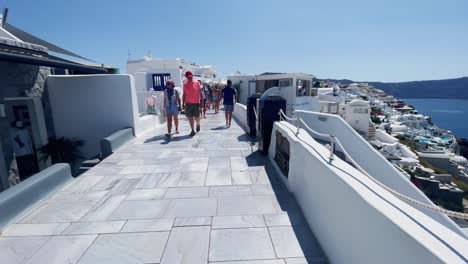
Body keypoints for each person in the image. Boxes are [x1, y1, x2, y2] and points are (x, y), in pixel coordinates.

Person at [183, 71, 201, 137]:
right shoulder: (185, 84)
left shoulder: (197, 83)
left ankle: (198, 124)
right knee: (190, 117)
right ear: (186, 77)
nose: (190, 78)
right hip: (188, 103)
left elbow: (200, 92)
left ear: (192, 76)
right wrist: (183, 104)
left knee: (197, 117)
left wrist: (201, 102)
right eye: (188, 77)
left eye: (191, 77)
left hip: (196, 103)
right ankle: (192, 130)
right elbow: (184, 94)